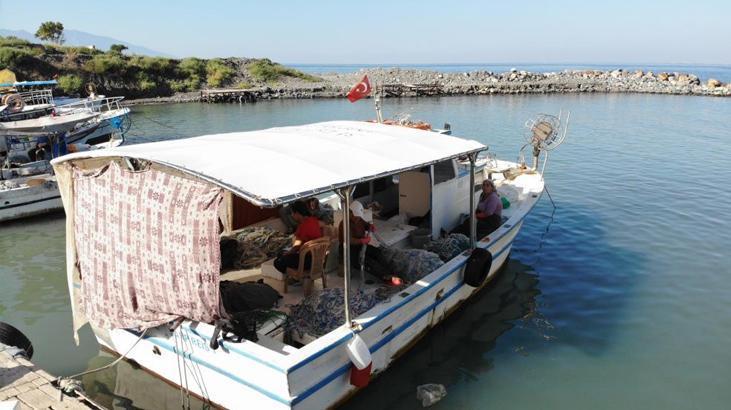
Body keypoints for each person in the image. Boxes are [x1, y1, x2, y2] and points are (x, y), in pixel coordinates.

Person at [339, 201, 395, 283]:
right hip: (348, 250)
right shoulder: (344, 224)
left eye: (358, 217)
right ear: (350, 213)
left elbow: (365, 225)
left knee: (378, 253)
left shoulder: (359, 219)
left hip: (360, 246)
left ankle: (392, 272)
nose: (357, 218)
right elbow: (349, 240)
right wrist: (362, 240)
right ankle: (386, 277)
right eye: (356, 216)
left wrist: (370, 226)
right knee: (368, 260)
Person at [274, 200, 323, 274]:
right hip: (318, 258)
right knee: (283, 254)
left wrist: (288, 253)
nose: (292, 215)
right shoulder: (314, 220)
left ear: (297, 213)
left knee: (278, 261)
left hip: (307, 260)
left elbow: (296, 246)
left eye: (292, 213)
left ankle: (297, 275)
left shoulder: (303, 226)